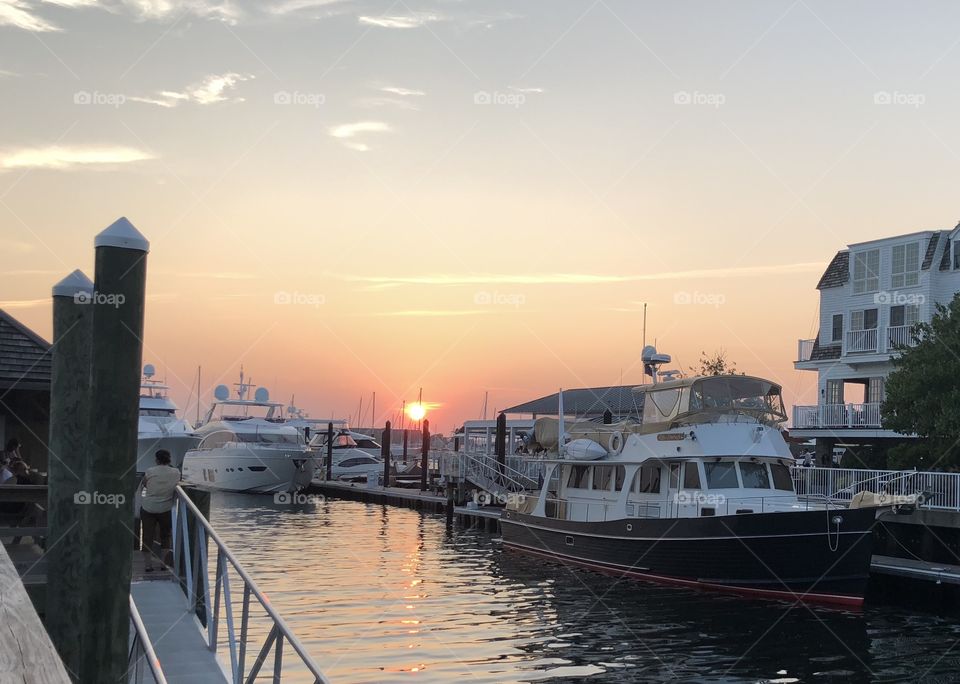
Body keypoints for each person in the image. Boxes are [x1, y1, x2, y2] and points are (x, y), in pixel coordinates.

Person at [139, 449, 180, 572]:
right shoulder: (176, 472)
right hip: (165, 508)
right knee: (165, 536)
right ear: (169, 459)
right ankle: (163, 564)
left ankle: (148, 565)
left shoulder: (150, 471)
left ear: (156, 459)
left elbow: (145, 484)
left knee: (147, 536)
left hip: (148, 508)